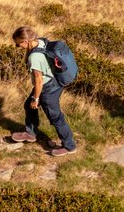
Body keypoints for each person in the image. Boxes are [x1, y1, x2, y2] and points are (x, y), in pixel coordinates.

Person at [9, 26, 77, 157]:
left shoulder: (34, 57)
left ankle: (69, 146)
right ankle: (30, 133)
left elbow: (39, 80)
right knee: (28, 106)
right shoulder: (41, 41)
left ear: (25, 42)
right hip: (54, 81)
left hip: (48, 88)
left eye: (18, 44)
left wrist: (36, 98)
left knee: (55, 117)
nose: (18, 47)